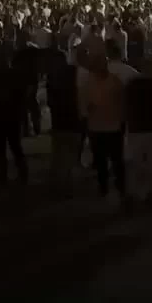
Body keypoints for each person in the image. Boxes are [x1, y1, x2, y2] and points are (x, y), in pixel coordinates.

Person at [84, 53, 127, 202]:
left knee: (117, 160)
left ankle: (121, 186)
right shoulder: (89, 82)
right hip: (96, 127)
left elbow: (123, 102)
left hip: (113, 127)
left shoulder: (115, 82)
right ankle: (103, 186)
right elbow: (85, 104)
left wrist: (122, 121)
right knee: (101, 160)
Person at [125, 58, 152, 203]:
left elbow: (124, 105)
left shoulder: (131, 85)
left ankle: (135, 192)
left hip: (135, 128)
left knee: (136, 161)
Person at [0, 49, 30, 187]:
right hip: (12, 116)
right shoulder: (16, 75)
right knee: (15, 147)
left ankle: (3, 178)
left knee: (0, 149)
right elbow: (23, 97)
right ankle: (23, 175)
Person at [45, 48, 82, 195]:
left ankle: (58, 186)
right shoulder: (74, 72)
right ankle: (68, 185)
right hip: (74, 120)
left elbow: (50, 102)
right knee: (71, 156)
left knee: (58, 156)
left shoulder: (52, 77)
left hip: (59, 122)